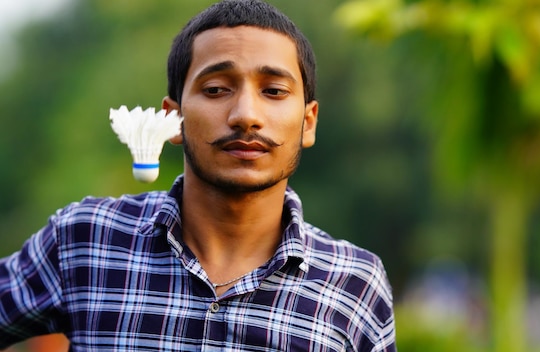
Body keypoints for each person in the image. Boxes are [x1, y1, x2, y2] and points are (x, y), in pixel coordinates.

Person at [0, 0, 396, 350]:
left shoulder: (354, 283)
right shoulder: (84, 240)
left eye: (274, 91)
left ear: (308, 123)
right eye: (216, 89)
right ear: (173, 118)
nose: (246, 115)